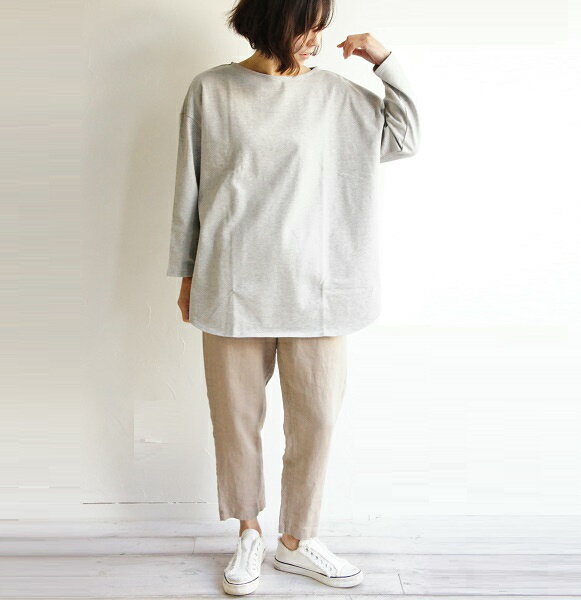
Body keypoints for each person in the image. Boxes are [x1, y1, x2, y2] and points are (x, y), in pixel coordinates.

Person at [166, 0, 419, 594]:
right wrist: (186, 273)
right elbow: (188, 189)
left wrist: (383, 59)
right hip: (231, 283)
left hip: (320, 288)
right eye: (304, 24)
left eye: (320, 25)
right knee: (236, 421)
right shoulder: (212, 91)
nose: (315, 37)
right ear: (269, 22)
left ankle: (297, 539)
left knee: (316, 421)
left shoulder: (338, 97)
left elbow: (404, 137)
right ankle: (249, 534)